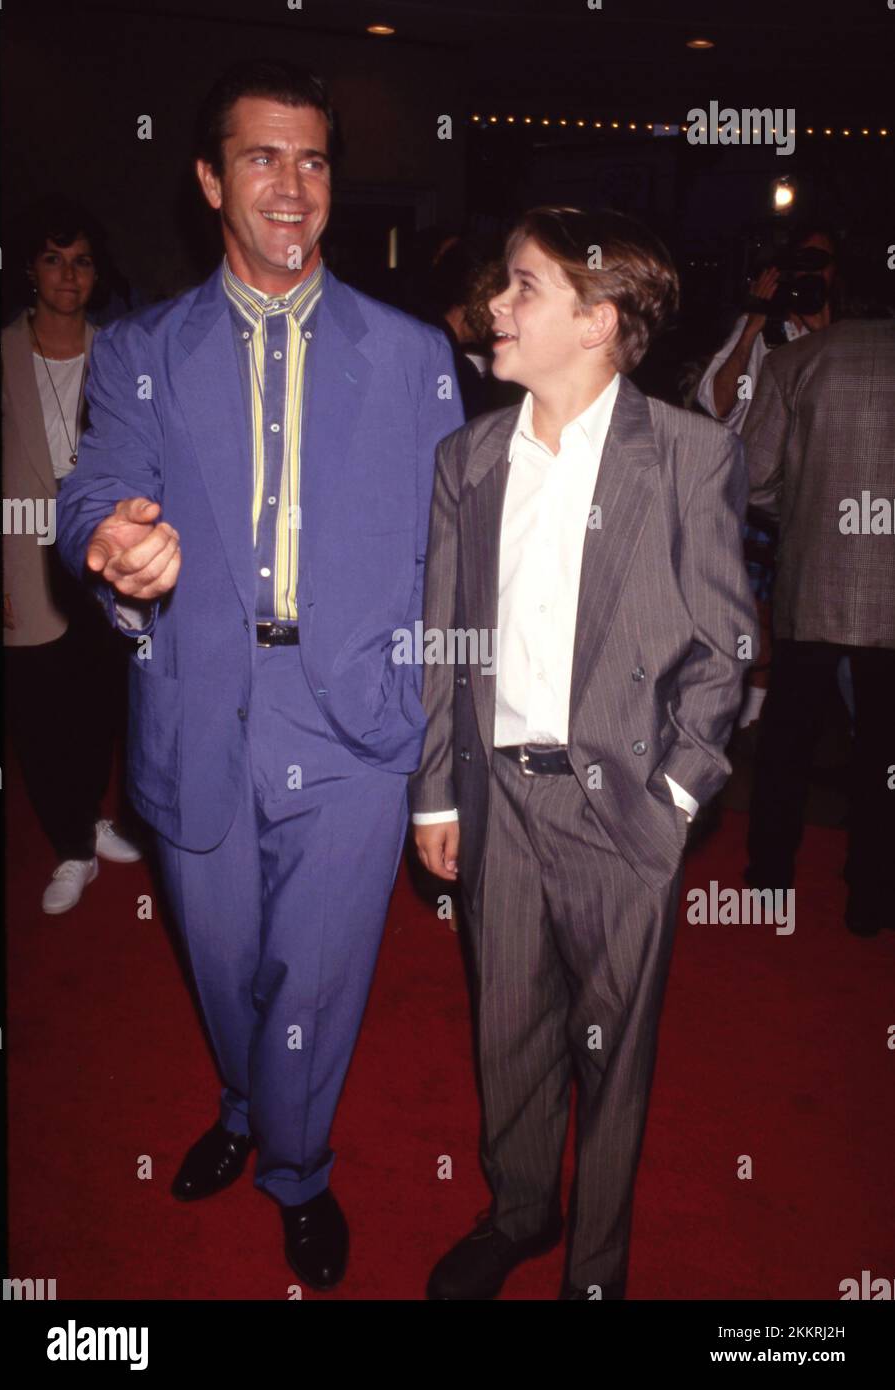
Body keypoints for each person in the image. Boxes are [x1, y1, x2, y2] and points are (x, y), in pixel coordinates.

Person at [56, 60, 462, 1290]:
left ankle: (296, 1163)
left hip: (353, 728)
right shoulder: (140, 351)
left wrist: (435, 737)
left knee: (320, 972)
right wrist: (108, 544)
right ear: (208, 181)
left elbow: (453, 552)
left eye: (315, 160)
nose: (292, 187)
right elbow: (88, 490)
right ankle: (244, 1100)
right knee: (225, 961)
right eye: (261, 158)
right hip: (195, 705)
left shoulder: (409, 357)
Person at [411, 206, 756, 1300]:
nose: (493, 308)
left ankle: (594, 1269)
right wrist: (435, 796)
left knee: (612, 1058)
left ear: (598, 319)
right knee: (507, 1030)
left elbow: (723, 648)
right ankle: (520, 1210)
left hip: (622, 813)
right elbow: (443, 638)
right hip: (496, 800)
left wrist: (673, 796)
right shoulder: (465, 457)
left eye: (520, 288)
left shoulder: (688, 457)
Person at [2, 197, 141, 914]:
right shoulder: (1, 353)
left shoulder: (118, 351)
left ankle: (91, 817)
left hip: (100, 552)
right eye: (53, 260)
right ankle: (70, 847)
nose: (67, 275)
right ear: (30, 269)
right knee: (39, 709)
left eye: (81, 262)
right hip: (20, 553)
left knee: (102, 701)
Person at [742, 316, 895, 937]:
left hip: (812, 575)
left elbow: (751, 477)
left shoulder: (797, 360)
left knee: (786, 743)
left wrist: (804, 509)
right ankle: (874, 897)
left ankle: (769, 880)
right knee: (885, 748)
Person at [696, 224, 839, 732]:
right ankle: (743, 720)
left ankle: (773, 718)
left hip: (814, 494)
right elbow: (715, 403)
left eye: (821, 263)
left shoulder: (840, 332)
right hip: (752, 493)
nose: (810, 273)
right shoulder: (761, 326)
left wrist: (823, 330)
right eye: (803, 261)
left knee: (794, 615)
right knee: (747, 610)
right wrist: (755, 324)